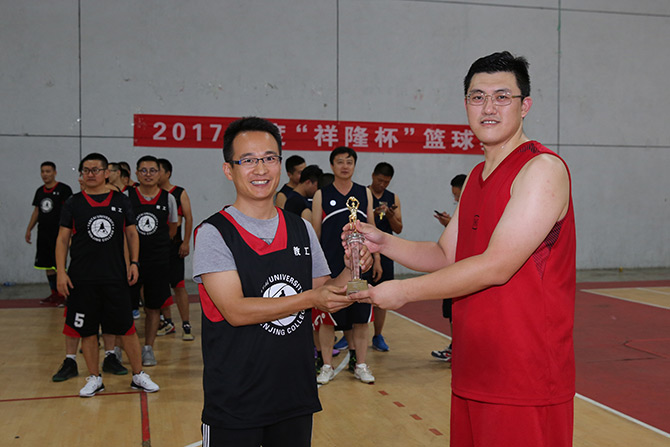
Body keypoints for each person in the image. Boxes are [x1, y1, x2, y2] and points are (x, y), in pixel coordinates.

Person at [348, 51, 576, 447]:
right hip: (474, 367)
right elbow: (444, 255)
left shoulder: (541, 169)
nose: (488, 107)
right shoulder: (475, 176)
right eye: (477, 97)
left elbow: (496, 266)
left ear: (525, 106)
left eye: (502, 97)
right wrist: (383, 241)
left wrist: (403, 292)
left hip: (525, 373)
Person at [193, 117, 367, 446]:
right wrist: (310, 299)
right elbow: (236, 311)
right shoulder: (214, 233)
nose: (261, 169)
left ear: (281, 165)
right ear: (229, 170)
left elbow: (327, 292)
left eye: (270, 158)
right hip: (236, 401)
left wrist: (352, 268)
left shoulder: (301, 228)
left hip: (294, 396)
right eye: (248, 160)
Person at [55, 152, 159, 397]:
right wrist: (61, 272)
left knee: (127, 329)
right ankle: (95, 378)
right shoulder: (73, 203)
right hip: (82, 279)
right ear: (82, 175)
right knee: (88, 331)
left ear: (105, 173)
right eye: (86, 170)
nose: (91, 174)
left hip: (115, 277)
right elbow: (62, 239)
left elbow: (132, 233)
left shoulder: (121, 200)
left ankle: (138, 375)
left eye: (96, 170)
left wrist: (134, 263)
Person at [311, 146, 381, 384]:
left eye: (349, 162)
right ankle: (326, 366)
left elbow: (373, 230)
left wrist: (376, 260)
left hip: (361, 267)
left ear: (354, 165)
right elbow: (316, 235)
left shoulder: (364, 193)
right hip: (330, 270)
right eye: (340, 161)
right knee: (328, 318)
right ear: (332, 165)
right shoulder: (321, 195)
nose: (344, 166)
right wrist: (315, 269)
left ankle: (360, 364)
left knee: (361, 318)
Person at [127, 155, 178, 366]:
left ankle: (148, 348)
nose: (148, 174)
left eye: (152, 170)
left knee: (153, 307)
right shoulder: (127, 196)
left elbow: (173, 227)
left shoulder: (168, 198)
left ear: (160, 174)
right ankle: (119, 349)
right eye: (144, 170)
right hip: (131, 263)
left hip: (158, 262)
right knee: (124, 307)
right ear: (137, 174)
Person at [157, 158, 195, 341]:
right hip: (157, 246)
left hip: (174, 244)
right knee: (159, 285)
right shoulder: (151, 194)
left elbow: (189, 218)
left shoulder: (179, 193)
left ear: (167, 173)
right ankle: (167, 322)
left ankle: (186, 324)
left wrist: (186, 242)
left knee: (178, 285)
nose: (154, 174)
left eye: (157, 170)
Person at [25, 161, 73, 306]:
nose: (45, 174)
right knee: (47, 265)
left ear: (55, 173)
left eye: (48, 171)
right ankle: (54, 294)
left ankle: (63, 295)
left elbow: (71, 211)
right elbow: (37, 211)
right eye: (43, 171)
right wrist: (29, 229)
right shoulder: (40, 191)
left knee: (59, 265)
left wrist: (71, 232)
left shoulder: (64, 189)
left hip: (59, 234)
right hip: (43, 233)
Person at [368, 162, 403, 352]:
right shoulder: (362, 194)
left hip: (385, 251)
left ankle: (378, 335)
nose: (382, 185)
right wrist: (372, 214)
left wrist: (389, 216)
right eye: (380, 180)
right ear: (373, 176)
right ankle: (350, 335)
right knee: (357, 293)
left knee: (382, 295)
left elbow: (398, 228)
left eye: (386, 182)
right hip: (364, 250)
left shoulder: (392, 197)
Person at [432, 173, 466, 362]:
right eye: (454, 196)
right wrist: (450, 222)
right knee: (451, 311)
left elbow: (466, 233)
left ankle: (461, 349)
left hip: (465, 269)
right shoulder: (462, 209)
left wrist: (450, 224)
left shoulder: (476, 207)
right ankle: (456, 346)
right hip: (453, 267)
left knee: (460, 311)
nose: (456, 199)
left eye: (458, 195)